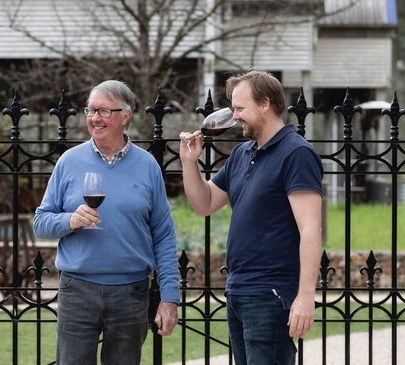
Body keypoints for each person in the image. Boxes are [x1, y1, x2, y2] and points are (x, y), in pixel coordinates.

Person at [179, 69, 323, 364]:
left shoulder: (296, 154)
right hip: (239, 291)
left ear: (265, 104)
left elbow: (311, 228)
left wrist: (305, 296)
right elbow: (203, 204)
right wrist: (190, 163)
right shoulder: (242, 154)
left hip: (271, 295)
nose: (235, 117)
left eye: (240, 109)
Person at [33, 80, 179, 364]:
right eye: (90, 110)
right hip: (77, 291)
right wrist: (70, 220)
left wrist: (169, 298)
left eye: (103, 111)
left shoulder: (148, 165)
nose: (94, 118)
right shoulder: (69, 161)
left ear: (126, 116)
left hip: (131, 293)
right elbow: (40, 222)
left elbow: (163, 234)